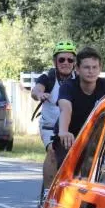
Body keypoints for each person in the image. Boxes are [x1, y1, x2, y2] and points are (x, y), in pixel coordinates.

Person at [56, 47, 105, 164]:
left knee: (103, 172)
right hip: (70, 137)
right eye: (86, 67)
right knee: (64, 170)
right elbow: (66, 109)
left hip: (97, 137)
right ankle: (52, 182)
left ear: (100, 69)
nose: (91, 71)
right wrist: (63, 131)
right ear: (77, 69)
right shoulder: (68, 87)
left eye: (95, 67)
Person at [31, 41, 77, 192]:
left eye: (70, 60)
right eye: (61, 59)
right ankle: (47, 192)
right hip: (49, 127)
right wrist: (40, 94)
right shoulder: (48, 77)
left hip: (73, 127)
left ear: (75, 62)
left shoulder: (79, 79)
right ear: (55, 61)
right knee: (53, 152)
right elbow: (35, 90)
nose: (66, 63)